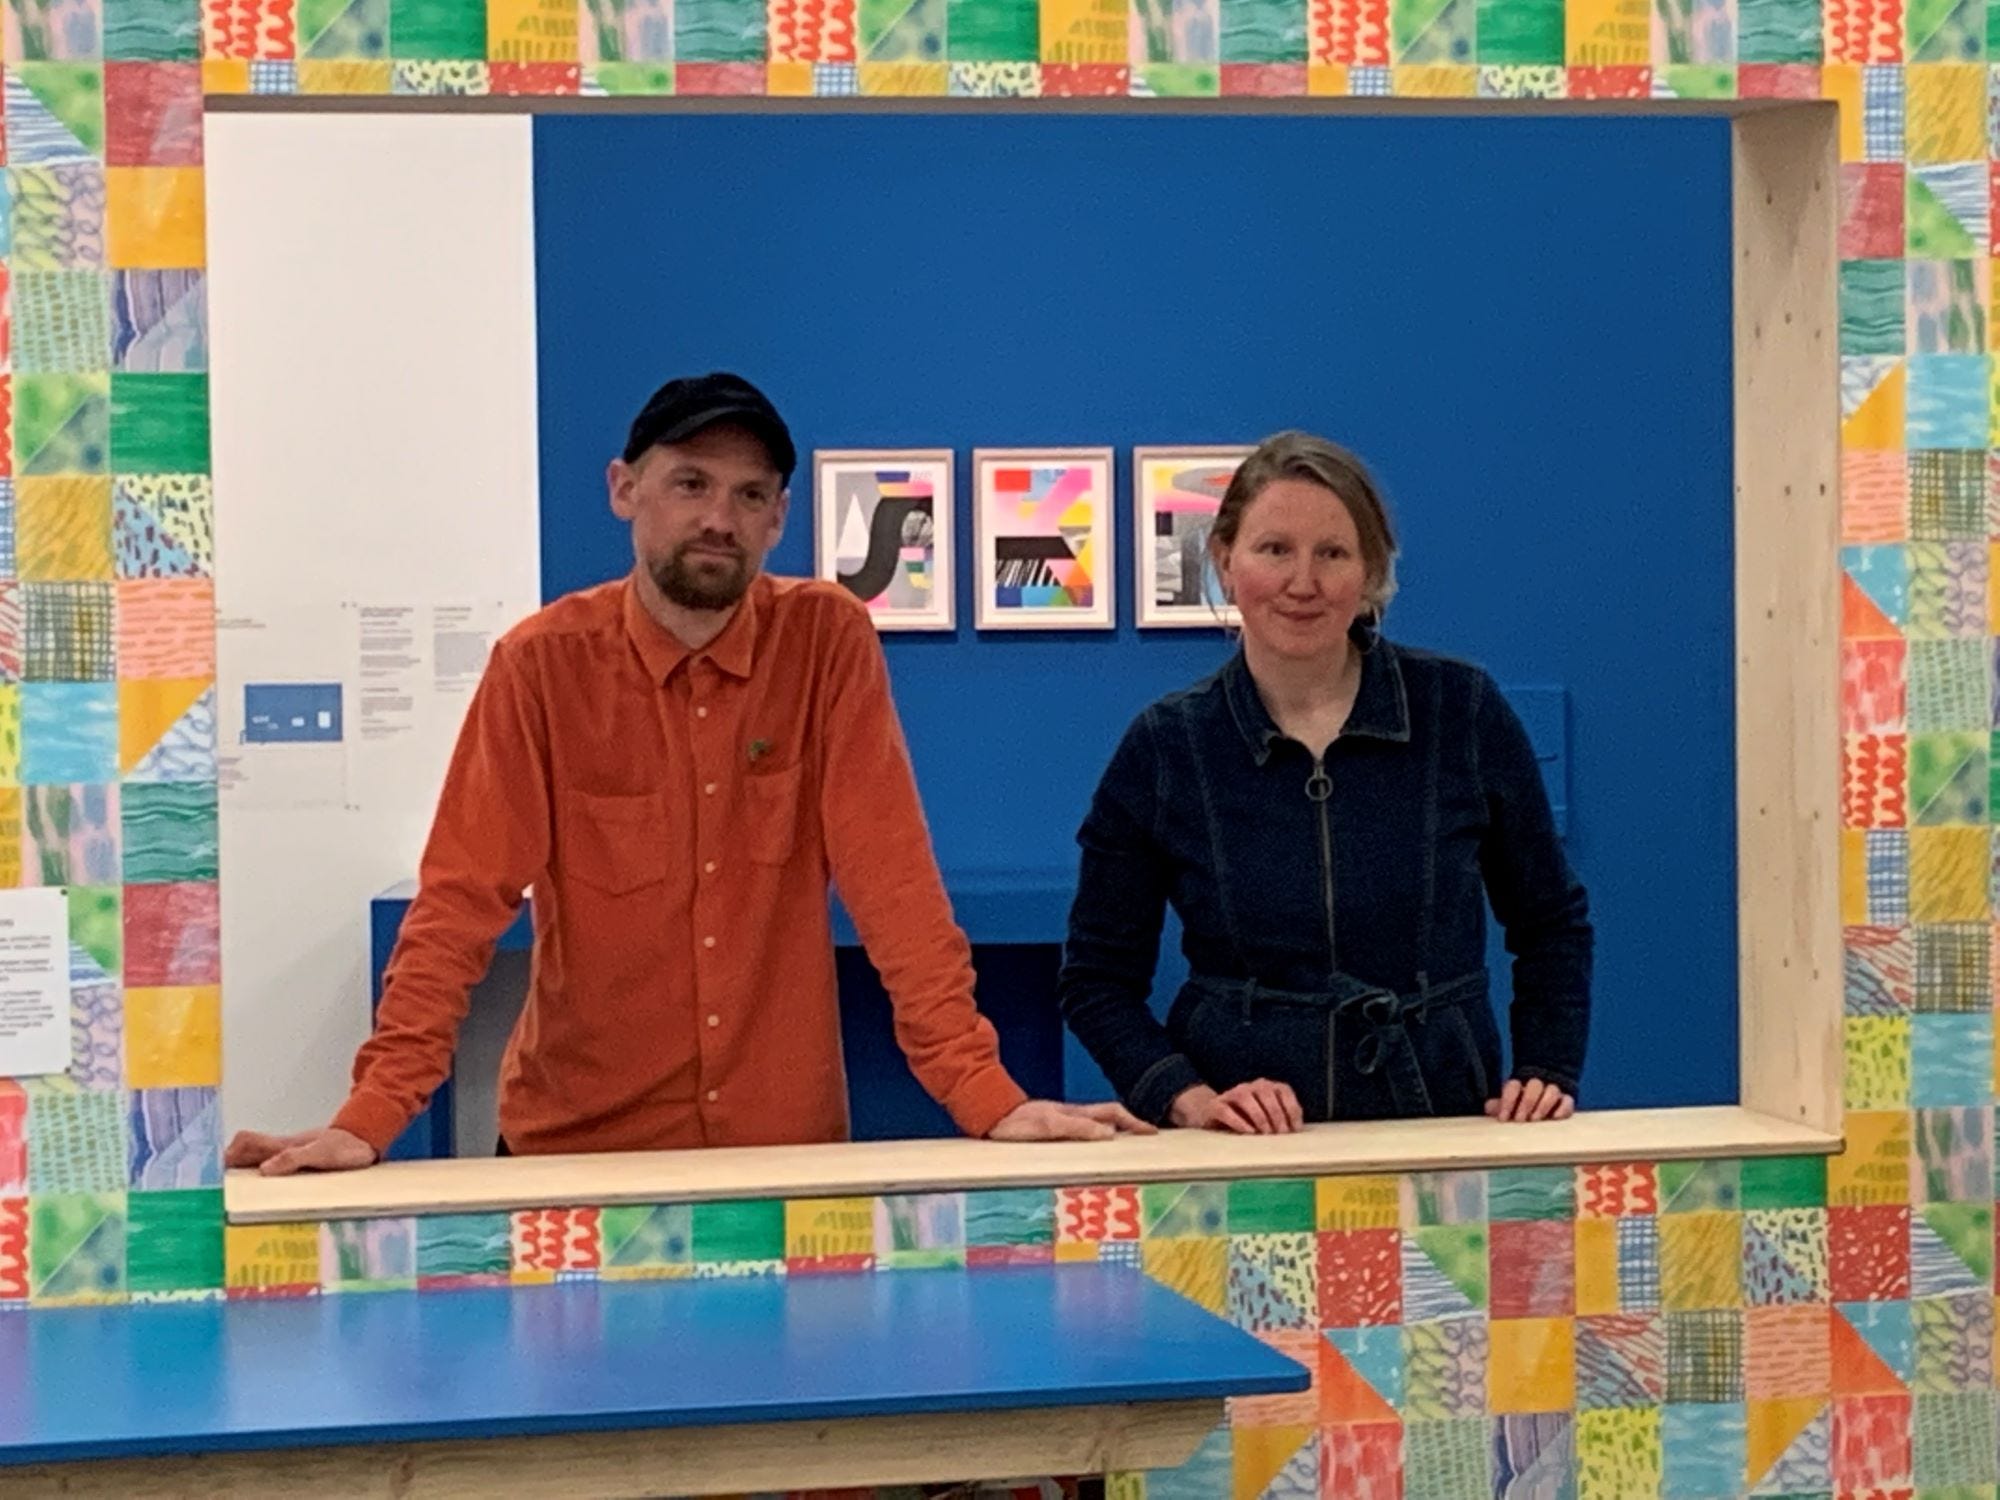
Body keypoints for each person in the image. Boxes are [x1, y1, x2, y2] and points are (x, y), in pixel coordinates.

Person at [227, 372, 1149, 1176]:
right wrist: (372, 1116)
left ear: (779, 519)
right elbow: (459, 905)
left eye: (751, 495)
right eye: (691, 484)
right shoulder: (540, 668)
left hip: (778, 1153)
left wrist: (985, 1095)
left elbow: (894, 887)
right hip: (576, 1151)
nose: (719, 518)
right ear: (624, 489)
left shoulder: (825, 643)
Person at [1058, 430, 1592, 1135]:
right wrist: (1186, 1097)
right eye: (1274, 549)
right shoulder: (1165, 746)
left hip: (1441, 1121)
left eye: (1333, 553)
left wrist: (1546, 1069)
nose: (1302, 583)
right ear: (1224, 561)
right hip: (1244, 1146)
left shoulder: (1461, 709)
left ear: (1371, 573)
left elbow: (1550, 924)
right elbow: (1096, 980)